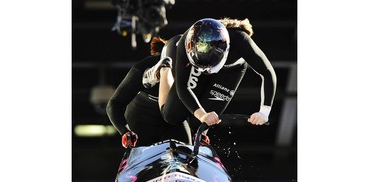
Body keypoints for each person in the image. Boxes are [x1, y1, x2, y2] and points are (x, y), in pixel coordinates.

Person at [143, 18, 277, 132]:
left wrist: (264, 111)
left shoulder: (241, 41)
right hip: (192, 64)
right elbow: (182, 86)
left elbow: (267, 72)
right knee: (172, 116)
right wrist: (202, 115)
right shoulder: (185, 45)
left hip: (231, 70)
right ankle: (164, 68)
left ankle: (200, 135)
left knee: (201, 125)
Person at [106, 37, 191, 148]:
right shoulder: (142, 68)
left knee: (187, 156)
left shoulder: (194, 69)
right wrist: (124, 131)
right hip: (140, 123)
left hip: (172, 123)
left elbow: (197, 103)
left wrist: (201, 131)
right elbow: (114, 103)